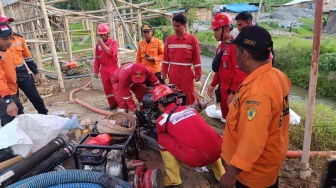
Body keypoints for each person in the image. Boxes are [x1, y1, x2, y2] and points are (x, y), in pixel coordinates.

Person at [220, 26, 291, 188]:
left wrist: (231, 174)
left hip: (252, 175)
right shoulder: (277, 76)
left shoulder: (256, 94)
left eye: (237, 50)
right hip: (269, 165)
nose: (235, 55)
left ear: (244, 55)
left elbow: (252, 141)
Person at [153, 85, 225, 187]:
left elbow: (162, 133)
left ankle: (174, 180)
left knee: (162, 139)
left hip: (197, 158)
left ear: (160, 105)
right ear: (176, 99)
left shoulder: (161, 120)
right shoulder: (191, 110)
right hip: (219, 150)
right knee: (205, 134)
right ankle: (221, 175)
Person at [1, 14, 48, 115]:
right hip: (6, 76)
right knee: (14, 102)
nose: (9, 24)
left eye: (9, 23)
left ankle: (44, 115)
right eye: (6, 23)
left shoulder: (19, 39)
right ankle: (20, 122)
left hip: (21, 71)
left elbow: (28, 57)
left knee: (35, 97)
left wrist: (36, 72)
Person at [207, 12, 246, 119]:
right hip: (223, 88)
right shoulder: (220, 48)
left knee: (234, 119)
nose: (214, 33)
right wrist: (212, 84)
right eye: (214, 30)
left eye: (217, 30)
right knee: (226, 117)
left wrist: (233, 92)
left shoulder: (235, 47)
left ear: (227, 29)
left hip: (232, 90)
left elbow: (240, 73)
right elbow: (218, 71)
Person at [162, 13, 202, 105]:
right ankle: (177, 111)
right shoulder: (169, 40)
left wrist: (198, 73)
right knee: (174, 93)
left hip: (186, 73)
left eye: (178, 26)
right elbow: (165, 58)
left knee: (188, 93)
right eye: (174, 26)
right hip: (173, 73)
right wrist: (164, 71)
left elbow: (196, 58)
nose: (176, 28)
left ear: (185, 25)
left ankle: (190, 111)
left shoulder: (192, 40)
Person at [0, 23, 24, 127]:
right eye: (5, 39)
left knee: (20, 120)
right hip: (4, 95)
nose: (9, 41)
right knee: (11, 126)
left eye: (10, 38)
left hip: (12, 91)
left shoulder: (7, 49)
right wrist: (8, 101)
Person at [93, 23, 119, 110]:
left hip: (113, 68)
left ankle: (120, 103)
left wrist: (102, 44)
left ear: (108, 33)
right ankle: (112, 104)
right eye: (100, 35)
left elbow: (111, 53)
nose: (102, 36)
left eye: (104, 34)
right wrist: (96, 70)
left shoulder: (113, 42)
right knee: (107, 88)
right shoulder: (98, 45)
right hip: (104, 69)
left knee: (116, 87)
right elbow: (97, 58)